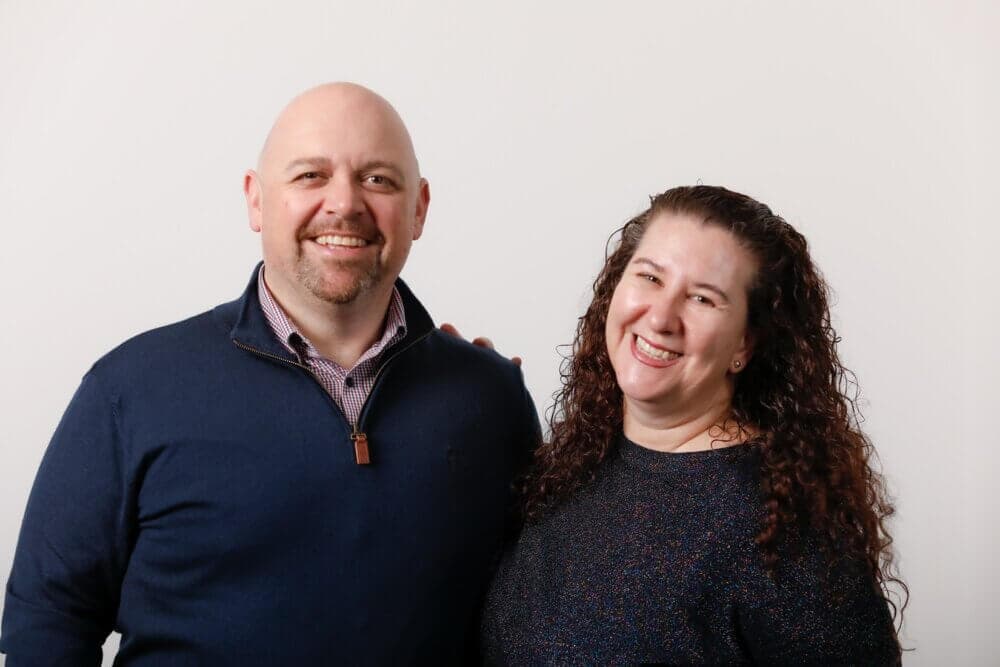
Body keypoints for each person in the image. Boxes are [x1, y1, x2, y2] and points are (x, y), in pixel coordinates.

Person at [1, 83, 540, 665]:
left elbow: (537, 613)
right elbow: (47, 621)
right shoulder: (130, 390)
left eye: (378, 179)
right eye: (311, 175)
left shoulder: (492, 400)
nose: (345, 204)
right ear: (256, 200)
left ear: (419, 209)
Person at [481, 185, 905, 664]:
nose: (661, 317)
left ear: (745, 344)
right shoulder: (577, 463)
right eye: (650, 277)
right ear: (615, 289)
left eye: (703, 299)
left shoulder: (781, 527)